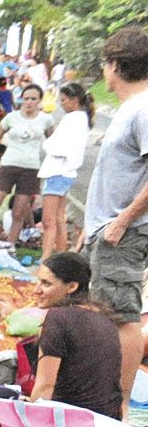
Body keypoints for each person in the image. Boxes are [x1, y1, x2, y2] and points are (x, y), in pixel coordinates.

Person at [85, 27, 148, 406]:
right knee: (107, 314)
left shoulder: (142, 108)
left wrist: (123, 220)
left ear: (114, 65)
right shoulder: (132, 109)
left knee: (120, 318)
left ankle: (119, 405)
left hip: (123, 232)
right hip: (107, 230)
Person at [29, 250, 124, 417]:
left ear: (72, 286)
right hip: (108, 421)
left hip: (72, 423)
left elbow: (44, 387)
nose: (36, 290)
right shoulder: (106, 318)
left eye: (46, 283)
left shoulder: (58, 317)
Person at [0, 84, 52, 243]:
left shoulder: (46, 120)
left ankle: (9, 247)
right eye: (26, 98)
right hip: (8, 165)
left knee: (19, 213)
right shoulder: (11, 117)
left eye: (33, 99)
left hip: (31, 168)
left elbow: (54, 142)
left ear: (40, 101)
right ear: (21, 100)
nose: (29, 102)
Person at [38, 83, 92, 256]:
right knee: (59, 218)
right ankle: (61, 255)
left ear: (74, 100)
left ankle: (46, 259)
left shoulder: (73, 119)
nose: (61, 104)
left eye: (63, 100)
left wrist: (48, 144)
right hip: (66, 172)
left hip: (58, 171)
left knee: (49, 221)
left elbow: (58, 146)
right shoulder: (81, 118)